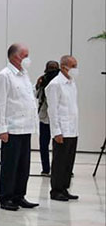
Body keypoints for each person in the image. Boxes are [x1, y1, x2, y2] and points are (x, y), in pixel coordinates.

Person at [0, 43, 39, 211]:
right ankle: (6, 197)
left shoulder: (24, 75)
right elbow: (0, 104)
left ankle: (19, 195)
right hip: (12, 128)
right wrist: (2, 128)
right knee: (10, 165)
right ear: (15, 56)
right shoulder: (4, 76)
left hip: (26, 127)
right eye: (25, 55)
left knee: (23, 165)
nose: (27, 59)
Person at [46, 55, 79, 202]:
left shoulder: (71, 83)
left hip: (72, 129)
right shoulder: (55, 84)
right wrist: (56, 131)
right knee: (59, 161)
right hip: (62, 130)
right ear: (64, 66)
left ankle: (64, 187)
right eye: (73, 66)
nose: (75, 69)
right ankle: (56, 190)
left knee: (68, 161)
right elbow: (52, 111)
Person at [35, 60, 60, 176]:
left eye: (54, 68)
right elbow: (36, 95)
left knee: (60, 145)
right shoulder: (42, 80)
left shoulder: (61, 81)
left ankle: (60, 168)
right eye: (51, 68)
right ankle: (46, 168)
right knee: (44, 145)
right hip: (45, 117)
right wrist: (38, 85)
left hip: (58, 118)